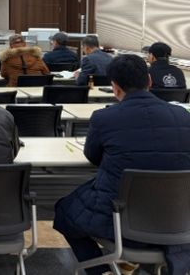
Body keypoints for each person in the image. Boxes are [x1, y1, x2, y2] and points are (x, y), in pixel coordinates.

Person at [53, 55, 190, 275]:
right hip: (177, 218)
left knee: (64, 211)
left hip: (119, 217)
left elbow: (93, 157)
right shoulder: (183, 116)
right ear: (149, 81)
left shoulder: (104, 118)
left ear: (115, 88)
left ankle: (101, 270)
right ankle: (129, 262)